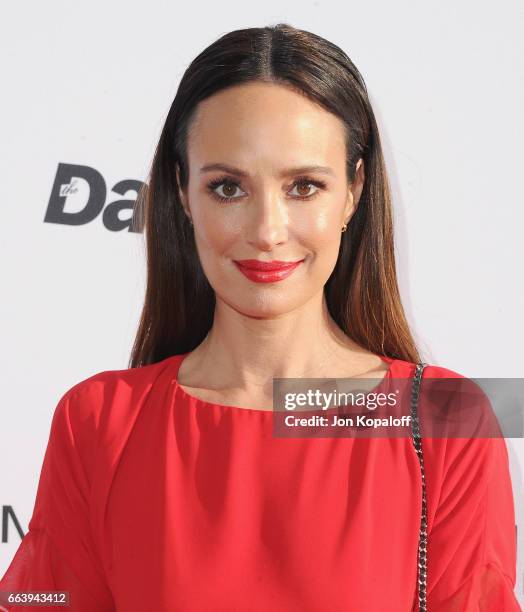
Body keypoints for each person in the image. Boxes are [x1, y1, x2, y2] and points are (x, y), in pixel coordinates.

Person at [0, 23, 520, 611]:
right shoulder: (97, 422)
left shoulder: (445, 420)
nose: (267, 232)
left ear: (353, 191)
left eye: (304, 186)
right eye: (227, 188)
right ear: (182, 192)